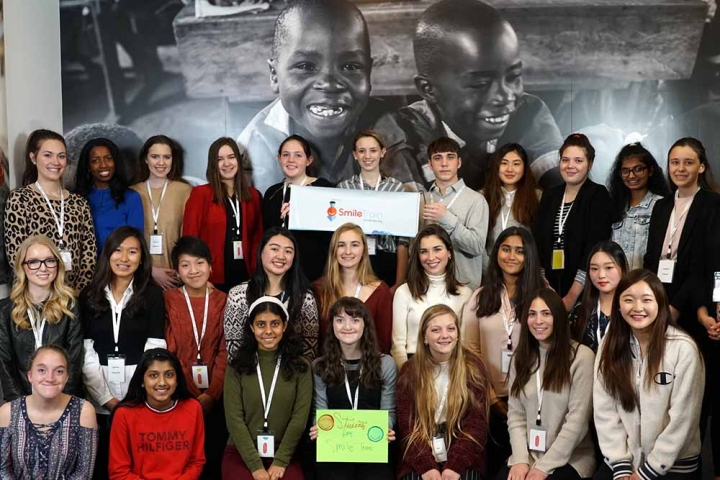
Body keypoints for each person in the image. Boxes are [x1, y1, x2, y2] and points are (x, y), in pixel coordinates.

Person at [373, 0, 563, 191]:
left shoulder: (528, 112)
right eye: (480, 84)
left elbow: (565, 196)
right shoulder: (401, 132)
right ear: (428, 89)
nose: (505, 96)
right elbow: (409, 215)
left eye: (513, 77)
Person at [238, 0, 380, 192]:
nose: (329, 84)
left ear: (368, 72)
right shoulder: (252, 155)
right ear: (274, 75)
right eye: (305, 66)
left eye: (350, 66)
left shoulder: (389, 126)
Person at [594, 270, 704, 480]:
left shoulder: (683, 348)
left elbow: (684, 419)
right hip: (625, 461)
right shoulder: (609, 346)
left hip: (673, 465)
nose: (637, 308)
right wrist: (620, 464)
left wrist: (647, 472)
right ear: (618, 305)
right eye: (628, 300)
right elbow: (604, 410)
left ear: (660, 304)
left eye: (646, 300)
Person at [81, 226, 166, 480]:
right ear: (107, 254)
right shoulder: (88, 295)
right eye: (118, 251)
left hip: (139, 397)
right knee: (101, 466)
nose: (124, 258)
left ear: (141, 258)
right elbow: (86, 352)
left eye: (132, 252)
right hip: (98, 398)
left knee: (137, 467)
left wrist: (134, 397)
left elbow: (155, 349)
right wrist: (107, 399)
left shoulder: (152, 295)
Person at [461, 226, 545, 476]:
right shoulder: (480, 297)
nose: (511, 256)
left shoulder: (542, 295)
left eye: (520, 251)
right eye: (506, 249)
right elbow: (470, 351)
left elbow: (547, 349)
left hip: (531, 399)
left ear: (529, 255)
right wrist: (493, 397)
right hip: (487, 399)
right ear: (496, 252)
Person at [502, 288, 595, 480]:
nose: (538, 321)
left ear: (559, 317)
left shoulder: (581, 357)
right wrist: (520, 459)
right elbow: (516, 415)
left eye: (546, 314)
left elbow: (577, 422)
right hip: (528, 455)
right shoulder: (520, 358)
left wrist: (544, 467)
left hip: (571, 458)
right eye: (532, 314)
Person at [222, 297, 312, 480]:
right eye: (261, 324)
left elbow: (299, 419)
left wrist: (281, 460)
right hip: (241, 453)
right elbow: (234, 419)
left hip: (284, 452)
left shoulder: (301, 367)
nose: (268, 331)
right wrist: (255, 466)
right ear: (252, 327)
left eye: (275, 324)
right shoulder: (236, 367)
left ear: (284, 326)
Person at [396, 304, 489, 479]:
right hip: (421, 446)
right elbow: (408, 427)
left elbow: (477, 425)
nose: (444, 335)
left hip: (463, 446)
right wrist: (427, 467)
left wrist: (455, 466)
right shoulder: (409, 370)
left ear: (457, 335)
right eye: (436, 330)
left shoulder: (474, 368)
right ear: (425, 336)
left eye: (450, 329)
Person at [310, 297, 397, 479]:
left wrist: (385, 428)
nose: (347, 326)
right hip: (335, 449)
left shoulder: (385, 364)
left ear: (365, 324)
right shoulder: (320, 366)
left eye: (355, 320)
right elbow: (320, 411)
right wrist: (318, 427)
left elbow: (388, 412)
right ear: (332, 325)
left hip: (373, 446)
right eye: (340, 320)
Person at [165, 236, 228, 480]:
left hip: (218, 397)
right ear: (177, 271)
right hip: (180, 396)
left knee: (214, 460)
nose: (193, 271)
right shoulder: (168, 300)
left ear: (211, 266)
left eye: (200, 263)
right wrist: (192, 394)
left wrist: (211, 394)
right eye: (185, 265)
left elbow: (226, 350)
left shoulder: (224, 300)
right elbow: (170, 351)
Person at [644, 137, 720, 337]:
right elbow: (651, 257)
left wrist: (675, 307)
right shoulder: (661, 206)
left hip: (695, 299)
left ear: (701, 167)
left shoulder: (712, 204)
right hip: (659, 295)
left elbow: (707, 263)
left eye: (688, 162)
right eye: (675, 162)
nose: (680, 169)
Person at [5, 129, 97, 291]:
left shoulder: (79, 203)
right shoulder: (20, 199)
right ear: (33, 158)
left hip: (72, 296)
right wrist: (43, 291)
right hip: (35, 295)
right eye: (48, 155)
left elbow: (89, 254)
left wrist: (76, 292)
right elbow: (16, 255)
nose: (56, 161)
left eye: (61, 156)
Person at [534, 133, 614, 311]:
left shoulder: (598, 196)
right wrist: (545, 287)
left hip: (584, 292)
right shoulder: (550, 195)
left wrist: (571, 297)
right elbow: (538, 243)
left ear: (589, 164)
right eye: (565, 160)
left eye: (578, 160)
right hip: (548, 288)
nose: (570, 166)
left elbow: (593, 250)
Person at [0, 235, 83, 402]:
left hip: (63, 400)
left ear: (57, 264)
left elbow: (74, 361)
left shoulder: (70, 306)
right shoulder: (5, 310)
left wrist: (60, 403)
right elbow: (5, 363)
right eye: (34, 262)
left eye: (49, 260)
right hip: (20, 401)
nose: (43, 268)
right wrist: (20, 405)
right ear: (22, 267)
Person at [0, 344, 98, 479]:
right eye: (41, 370)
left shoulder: (84, 411)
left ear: (67, 377)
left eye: (59, 371)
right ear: (30, 376)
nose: (50, 378)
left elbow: (84, 473)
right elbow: (2, 470)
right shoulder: (8, 412)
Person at [224, 227, 319, 363]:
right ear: (261, 252)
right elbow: (234, 351)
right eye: (274, 249)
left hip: (293, 377)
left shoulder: (305, 298)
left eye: (288, 251)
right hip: (249, 375)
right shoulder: (238, 296)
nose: (281, 256)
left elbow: (310, 352)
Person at [108, 348, 205, 480]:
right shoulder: (123, 414)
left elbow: (196, 462)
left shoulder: (193, 408)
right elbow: (118, 472)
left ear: (177, 380)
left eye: (169, 375)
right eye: (153, 375)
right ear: (142, 381)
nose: (162, 382)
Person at [183, 137, 263, 293]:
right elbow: (190, 238)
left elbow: (257, 239)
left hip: (247, 279)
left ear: (239, 161)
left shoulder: (253, 196)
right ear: (213, 164)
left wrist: (256, 274)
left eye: (231, 157)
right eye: (220, 159)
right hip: (212, 280)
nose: (227, 164)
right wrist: (199, 277)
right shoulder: (201, 194)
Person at [338, 130, 410, 290]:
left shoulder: (396, 188)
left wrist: (399, 283)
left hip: (387, 262)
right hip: (353, 262)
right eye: (362, 151)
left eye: (373, 150)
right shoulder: (344, 189)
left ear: (382, 152)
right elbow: (337, 236)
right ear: (355, 155)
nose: (367, 156)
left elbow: (403, 241)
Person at [392, 225, 472, 367]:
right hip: (414, 366)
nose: (431, 257)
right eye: (424, 251)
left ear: (449, 253)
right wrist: (407, 376)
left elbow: (465, 344)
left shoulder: (465, 294)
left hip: (453, 368)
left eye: (437, 249)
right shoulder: (404, 292)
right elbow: (397, 346)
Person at [261, 135, 334, 282]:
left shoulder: (322, 188)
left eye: (298, 155)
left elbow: (331, 228)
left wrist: (302, 209)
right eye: (286, 155)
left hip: (313, 273)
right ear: (279, 158)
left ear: (309, 160)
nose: (291, 160)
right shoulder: (272, 193)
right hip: (278, 274)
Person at [422, 137, 489, 290]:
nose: (444, 163)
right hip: (426, 287)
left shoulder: (476, 200)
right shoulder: (422, 199)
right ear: (430, 165)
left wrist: (446, 218)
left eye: (450, 157)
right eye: (438, 158)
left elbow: (477, 246)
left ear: (458, 162)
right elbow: (414, 247)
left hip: (463, 287)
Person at [315, 223, 393, 353]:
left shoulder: (381, 292)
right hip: (326, 368)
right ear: (334, 250)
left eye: (354, 245)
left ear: (364, 250)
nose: (348, 251)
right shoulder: (318, 290)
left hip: (367, 368)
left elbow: (383, 343)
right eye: (341, 245)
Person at [131, 135, 192, 291]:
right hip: (140, 278)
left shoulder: (185, 191)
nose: (161, 163)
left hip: (176, 279)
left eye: (167, 157)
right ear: (146, 159)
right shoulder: (132, 193)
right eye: (155, 156)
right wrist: (150, 270)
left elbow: (190, 237)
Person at [73, 137, 145, 253]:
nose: (103, 165)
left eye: (108, 159)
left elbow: (135, 243)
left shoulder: (131, 198)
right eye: (95, 161)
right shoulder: (77, 199)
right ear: (88, 167)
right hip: (85, 267)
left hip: (118, 266)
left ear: (115, 162)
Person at [607, 143, 670, 269]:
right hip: (617, 282)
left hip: (646, 281)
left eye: (638, 169)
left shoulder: (661, 205)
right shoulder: (614, 206)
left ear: (650, 170)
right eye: (626, 171)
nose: (631, 175)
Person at [569, 241, 628, 353]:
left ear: (622, 268)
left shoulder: (631, 310)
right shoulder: (579, 311)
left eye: (608, 267)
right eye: (594, 269)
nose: (601, 275)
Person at [482, 143, 541, 254]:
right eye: (504, 163)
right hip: (489, 267)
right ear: (497, 166)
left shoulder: (537, 197)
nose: (510, 169)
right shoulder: (482, 196)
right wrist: (487, 267)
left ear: (524, 168)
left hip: (524, 265)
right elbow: (477, 240)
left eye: (516, 164)